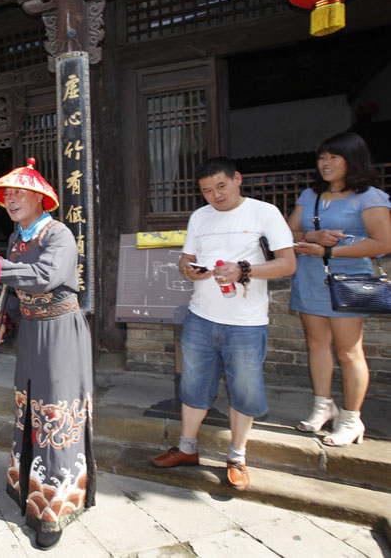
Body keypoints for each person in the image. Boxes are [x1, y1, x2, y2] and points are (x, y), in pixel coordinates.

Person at [0, 158, 94, 551]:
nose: (11, 200)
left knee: (55, 412)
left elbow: (45, 277)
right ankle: (29, 490)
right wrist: (7, 320)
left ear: (40, 199)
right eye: (7, 194)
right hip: (32, 332)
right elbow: (13, 289)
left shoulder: (59, 235)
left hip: (61, 334)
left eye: (19, 193)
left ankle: (53, 511)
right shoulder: (17, 239)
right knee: (29, 409)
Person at [151, 157, 296, 491]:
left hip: (246, 321)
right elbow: (186, 259)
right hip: (201, 316)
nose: (215, 195)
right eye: (206, 190)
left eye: (221, 186)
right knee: (193, 386)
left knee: (244, 390)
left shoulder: (264, 213)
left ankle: (237, 456)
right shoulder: (200, 216)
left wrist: (244, 270)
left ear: (237, 179)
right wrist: (187, 269)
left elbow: (288, 264)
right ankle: (187, 449)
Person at [287, 132, 391, 446]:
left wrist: (330, 252)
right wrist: (312, 237)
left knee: (348, 351)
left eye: (334, 157)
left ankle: (351, 418)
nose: (326, 164)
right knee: (316, 344)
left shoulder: (369, 197)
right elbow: (289, 233)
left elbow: (383, 242)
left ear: (352, 159)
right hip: (308, 276)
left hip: (349, 280)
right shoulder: (310, 195)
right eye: (322, 158)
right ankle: (323, 406)